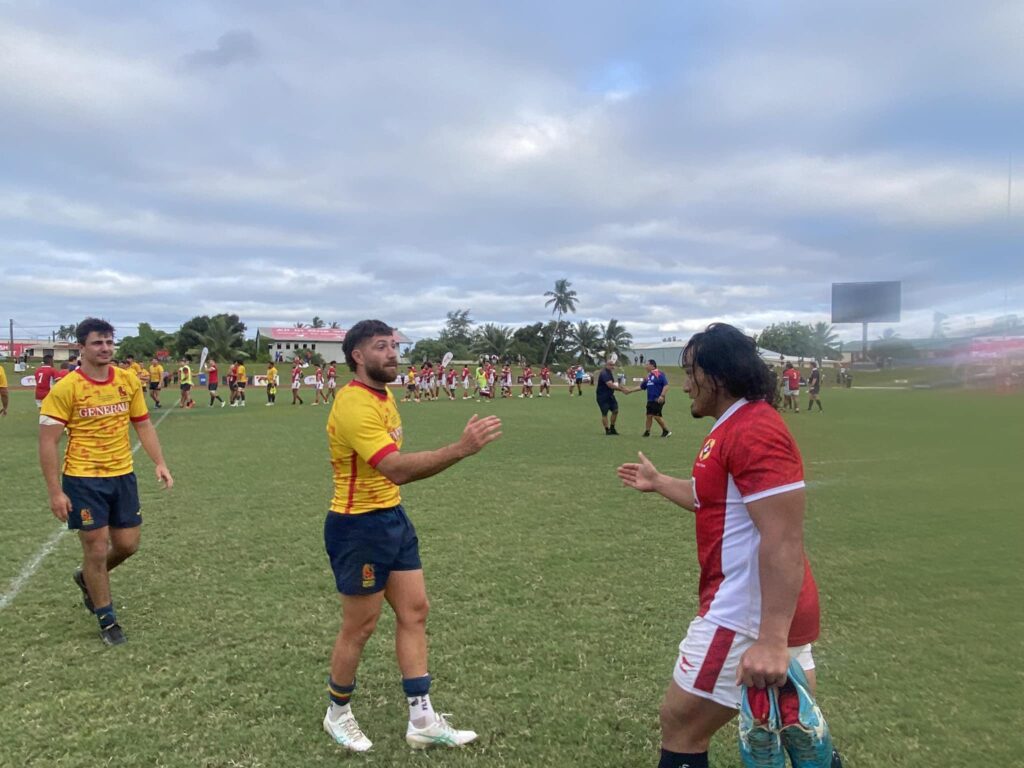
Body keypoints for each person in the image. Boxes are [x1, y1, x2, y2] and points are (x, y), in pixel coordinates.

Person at [616, 323, 841, 768]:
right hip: (755, 611)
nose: (684, 385)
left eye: (690, 372)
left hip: (745, 616)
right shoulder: (733, 425)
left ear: (718, 375)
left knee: (681, 725)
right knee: (800, 742)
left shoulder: (754, 431)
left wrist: (772, 641)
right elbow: (712, 501)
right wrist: (660, 483)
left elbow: (783, 537)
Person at [321, 319, 502, 752]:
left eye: (394, 346)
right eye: (381, 347)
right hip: (357, 527)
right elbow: (396, 466)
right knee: (360, 626)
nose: (392, 353)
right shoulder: (353, 404)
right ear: (357, 356)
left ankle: (421, 719)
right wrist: (461, 449)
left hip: (392, 518)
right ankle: (337, 714)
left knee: (415, 611)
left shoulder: (384, 395)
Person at [38, 318, 173, 646]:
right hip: (84, 480)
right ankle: (107, 619)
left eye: (110, 342)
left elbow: (142, 425)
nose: (106, 348)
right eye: (98, 342)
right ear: (81, 347)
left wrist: (159, 462)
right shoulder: (67, 388)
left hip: (122, 476)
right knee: (96, 547)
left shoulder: (127, 381)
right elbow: (47, 442)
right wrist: (55, 491)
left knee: (127, 545)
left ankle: (86, 578)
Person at [636, 359, 672, 437]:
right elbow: (641, 387)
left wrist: (662, 396)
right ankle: (647, 432)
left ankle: (666, 431)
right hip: (650, 399)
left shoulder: (659, 374)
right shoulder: (649, 376)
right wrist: (629, 390)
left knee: (656, 416)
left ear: (652, 366)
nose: (645, 366)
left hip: (657, 399)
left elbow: (666, 385)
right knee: (649, 415)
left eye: (647, 365)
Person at [596, 358, 629, 435]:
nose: (612, 366)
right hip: (602, 397)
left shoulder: (609, 373)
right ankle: (607, 430)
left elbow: (614, 384)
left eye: (613, 365)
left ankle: (612, 428)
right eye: (611, 365)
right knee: (604, 413)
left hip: (610, 396)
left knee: (615, 410)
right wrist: (622, 390)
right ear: (606, 365)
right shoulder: (604, 373)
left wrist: (622, 388)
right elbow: (610, 385)